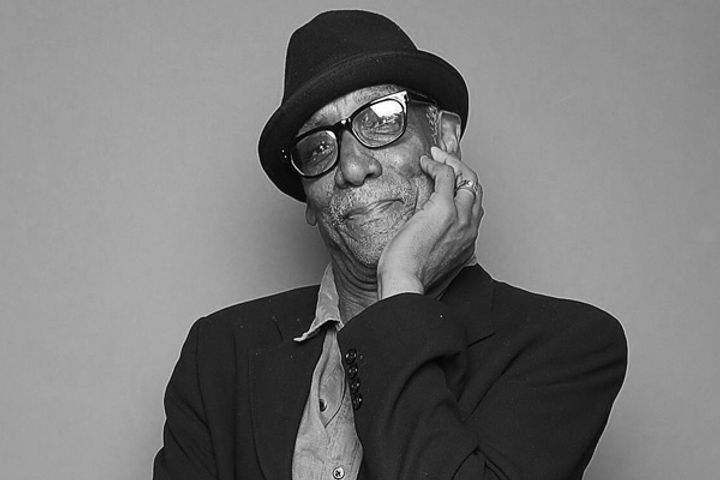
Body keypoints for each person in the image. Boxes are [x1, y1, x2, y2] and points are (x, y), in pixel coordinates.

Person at [153, 10, 627, 480]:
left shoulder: (569, 344)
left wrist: (399, 282)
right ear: (308, 199)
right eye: (318, 148)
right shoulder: (218, 354)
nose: (352, 167)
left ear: (445, 137)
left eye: (381, 120)